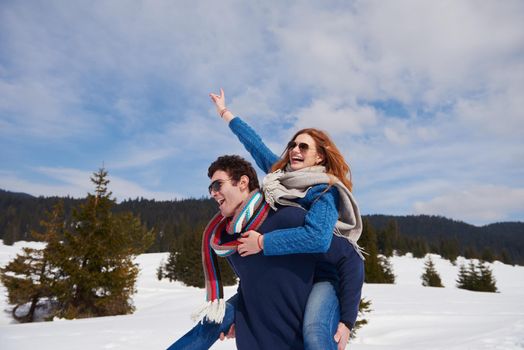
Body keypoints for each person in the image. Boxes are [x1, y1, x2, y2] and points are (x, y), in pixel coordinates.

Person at [209, 88, 364, 350]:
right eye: (293, 144)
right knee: (215, 321)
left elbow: (317, 237)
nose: (295, 149)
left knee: (314, 333)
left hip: (326, 274)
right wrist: (226, 113)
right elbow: (255, 144)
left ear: (319, 156)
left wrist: (262, 243)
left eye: (304, 146)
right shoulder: (281, 177)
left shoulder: (324, 191)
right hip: (297, 271)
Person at [167, 155, 364, 350]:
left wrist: (347, 320)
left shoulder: (286, 217)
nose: (213, 193)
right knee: (210, 323)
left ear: (243, 182)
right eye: (210, 188)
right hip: (254, 341)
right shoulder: (229, 241)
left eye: (217, 185)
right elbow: (249, 279)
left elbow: (349, 257)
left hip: (294, 339)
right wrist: (237, 317)